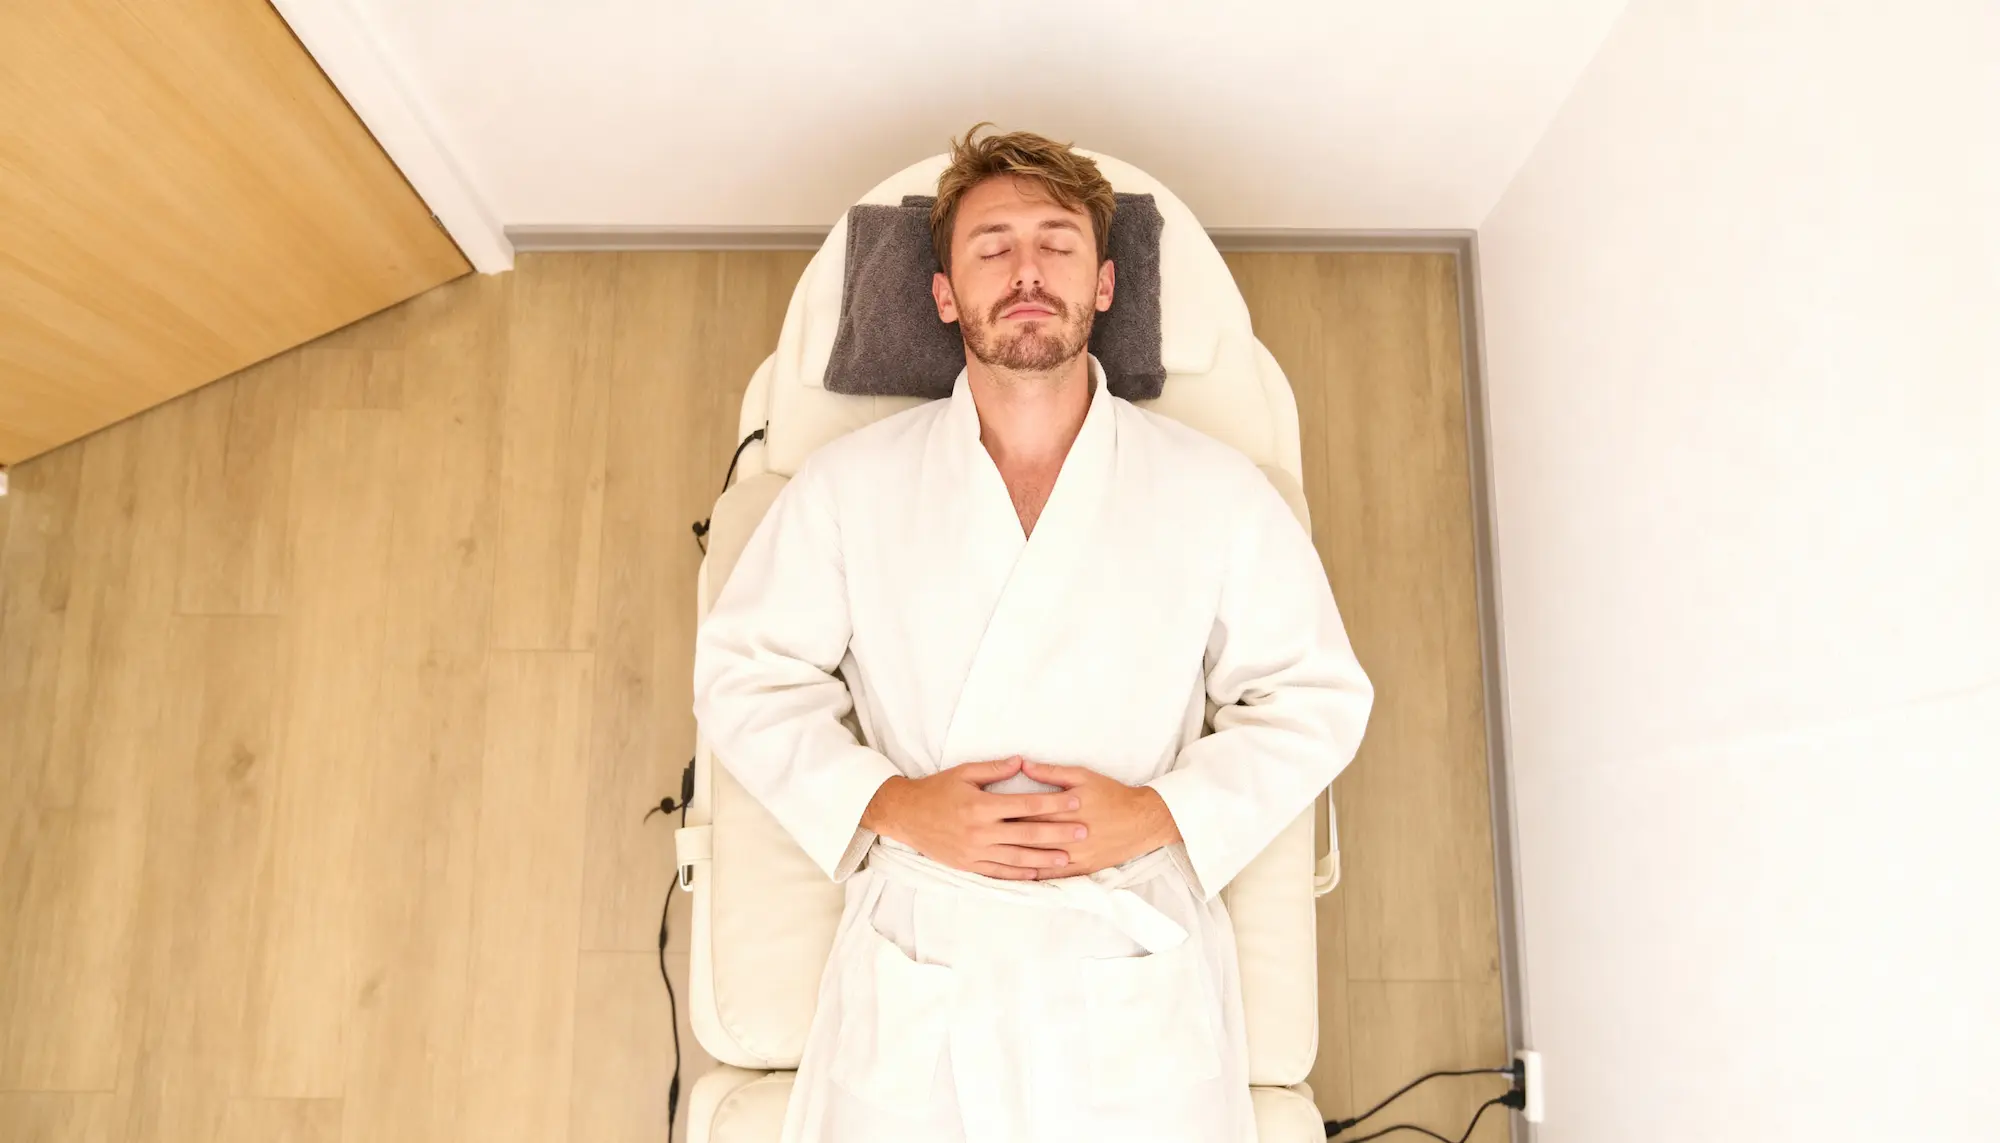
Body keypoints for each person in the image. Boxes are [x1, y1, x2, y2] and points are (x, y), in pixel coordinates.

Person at [692, 124, 1374, 1143]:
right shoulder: (849, 487)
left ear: (1103, 284)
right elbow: (745, 676)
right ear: (943, 295)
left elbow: (1316, 696)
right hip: (925, 942)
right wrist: (892, 805)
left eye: (1056, 244)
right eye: (991, 247)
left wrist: (1159, 814)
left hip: (1126, 945)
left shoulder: (1213, 491)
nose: (1026, 272)